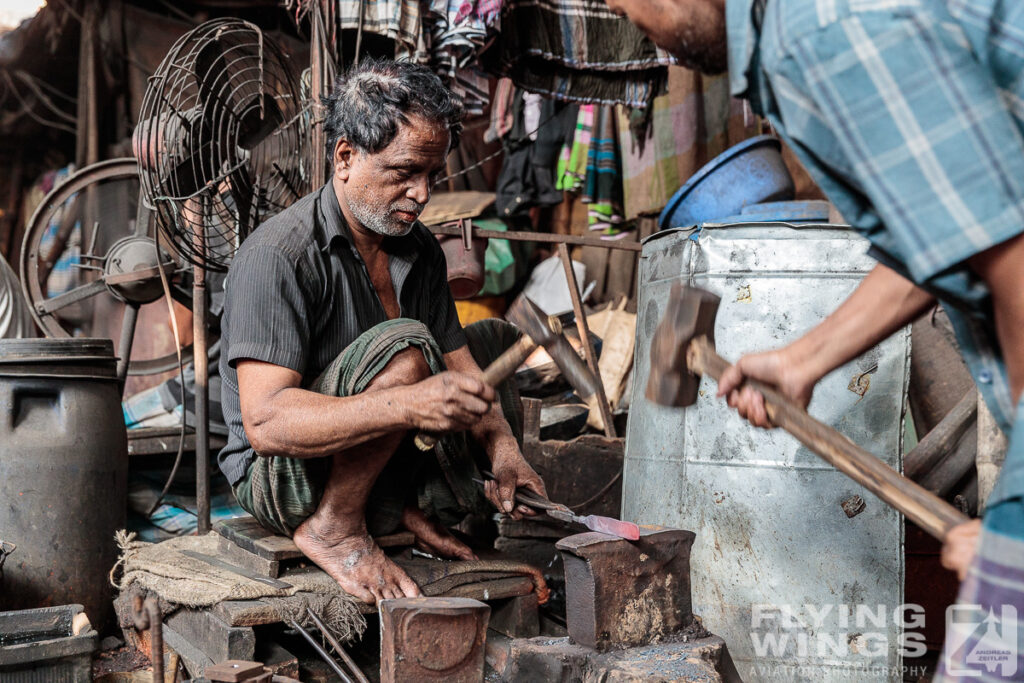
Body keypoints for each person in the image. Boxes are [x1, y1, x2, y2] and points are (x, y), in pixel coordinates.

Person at [606, 0, 1024, 677]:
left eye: (626, 2)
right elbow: (955, 228)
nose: (636, 26)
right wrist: (805, 358)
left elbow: (1015, 253)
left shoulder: (824, 33)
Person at [218, 59, 546, 604]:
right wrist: (406, 405)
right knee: (407, 350)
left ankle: (395, 508)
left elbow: (464, 366)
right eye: (403, 172)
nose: (421, 195)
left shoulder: (416, 250)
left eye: (432, 176)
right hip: (280, 475)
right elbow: (265, 424)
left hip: (371, 461)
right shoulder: (278, 255)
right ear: (345, 157)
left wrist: (507, 451)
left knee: (490, 341)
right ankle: (336, 526)